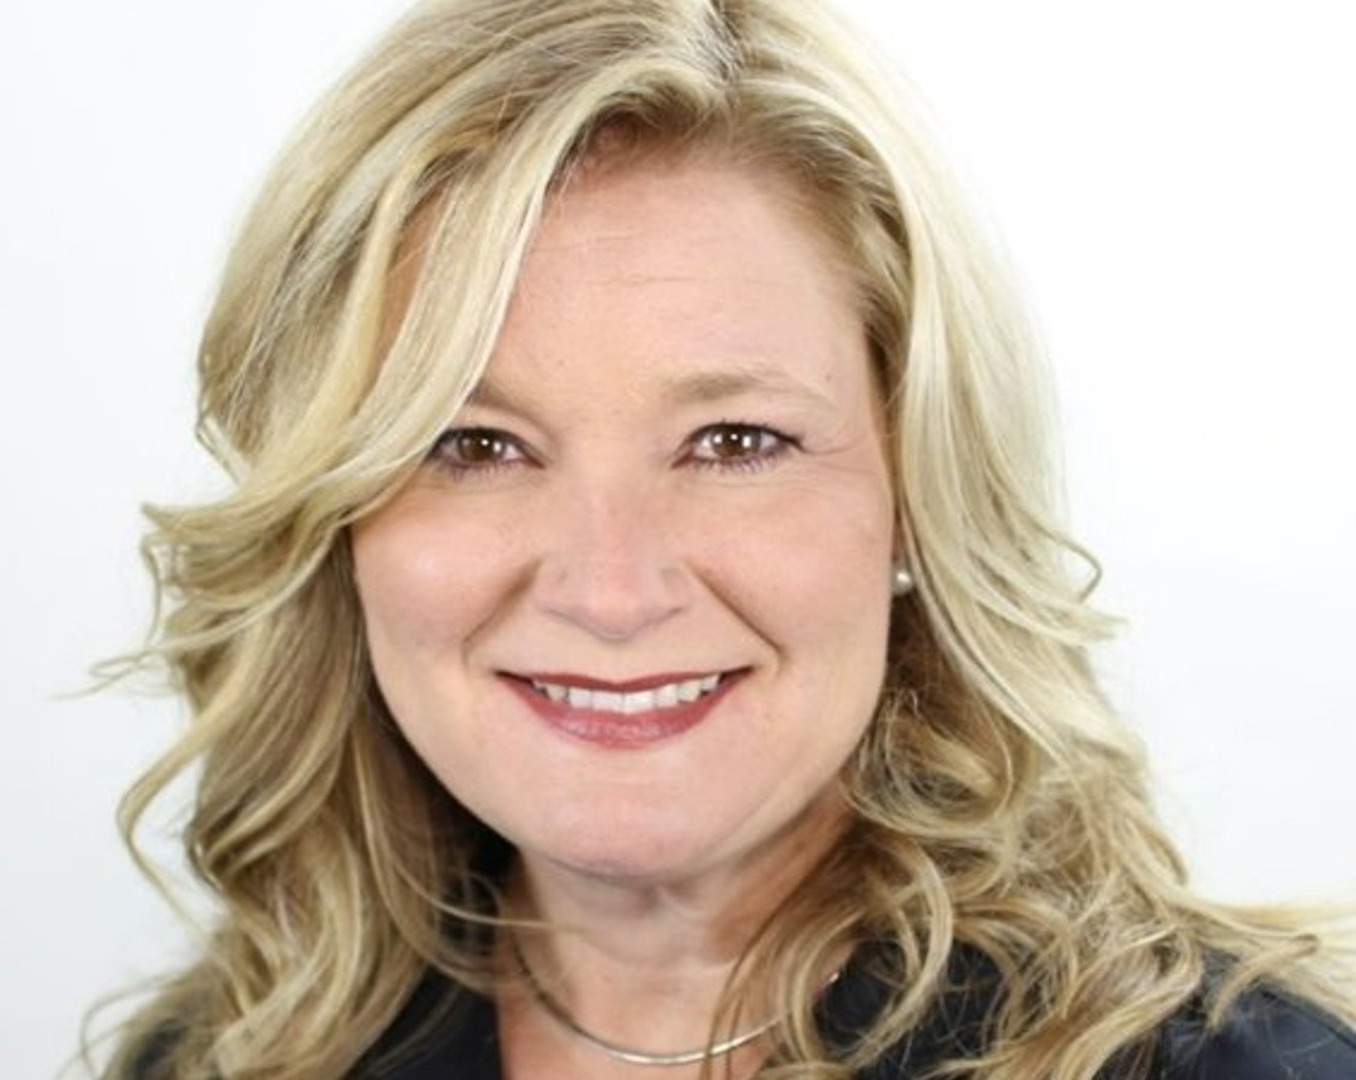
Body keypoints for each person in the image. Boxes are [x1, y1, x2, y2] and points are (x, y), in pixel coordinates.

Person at [98, 0, 1356, 1077]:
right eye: (472, 444)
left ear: (919, 495)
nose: (610, 589)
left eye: (735, 441)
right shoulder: (224, 1057)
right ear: (329, 517)